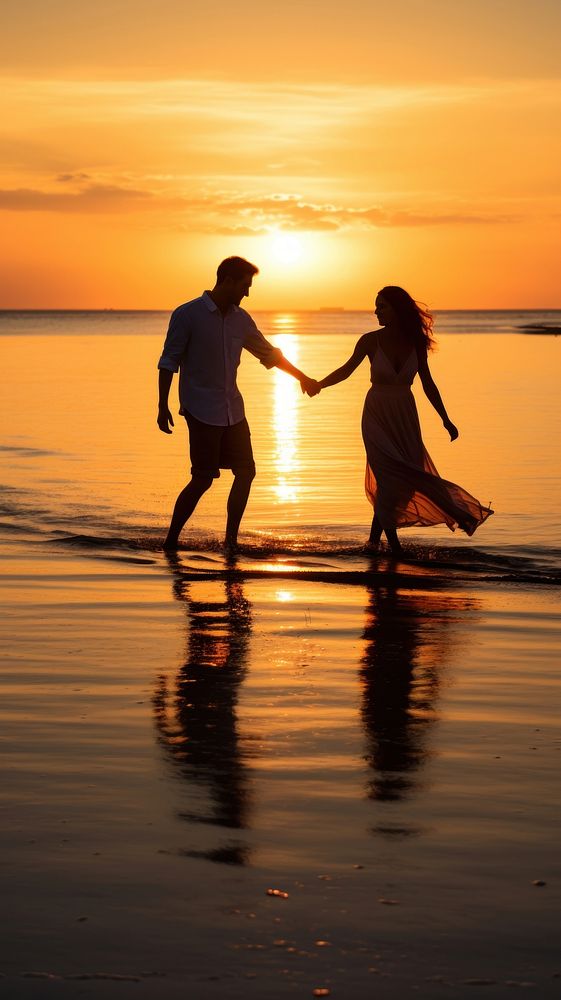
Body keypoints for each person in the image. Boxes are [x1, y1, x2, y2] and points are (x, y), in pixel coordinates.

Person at [312, 285, 493, 556]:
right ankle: (394, 549)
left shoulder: (416, 342)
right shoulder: (369, 341)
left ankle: (373, 543)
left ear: (398, 309)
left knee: (402, 483)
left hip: (405, 416)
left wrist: (446, 419)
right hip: (376, 414)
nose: (376, 311)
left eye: (382, 306)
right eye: (376, 306)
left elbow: (428, 383)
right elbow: (347, 370)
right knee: (388, 475)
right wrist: (319, 385)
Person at [157, 256, 319, 551]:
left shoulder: (241, 320)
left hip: (234, 409)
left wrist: (302, 377)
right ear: (228, 280)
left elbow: (268, 353)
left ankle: (230, 542)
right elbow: (169, 361)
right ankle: (170, 541)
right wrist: (162, 405)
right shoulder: (187, 314)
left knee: (246, 471)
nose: (247, 293)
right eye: (245, 285)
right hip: (201, 409)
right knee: (203, 479)